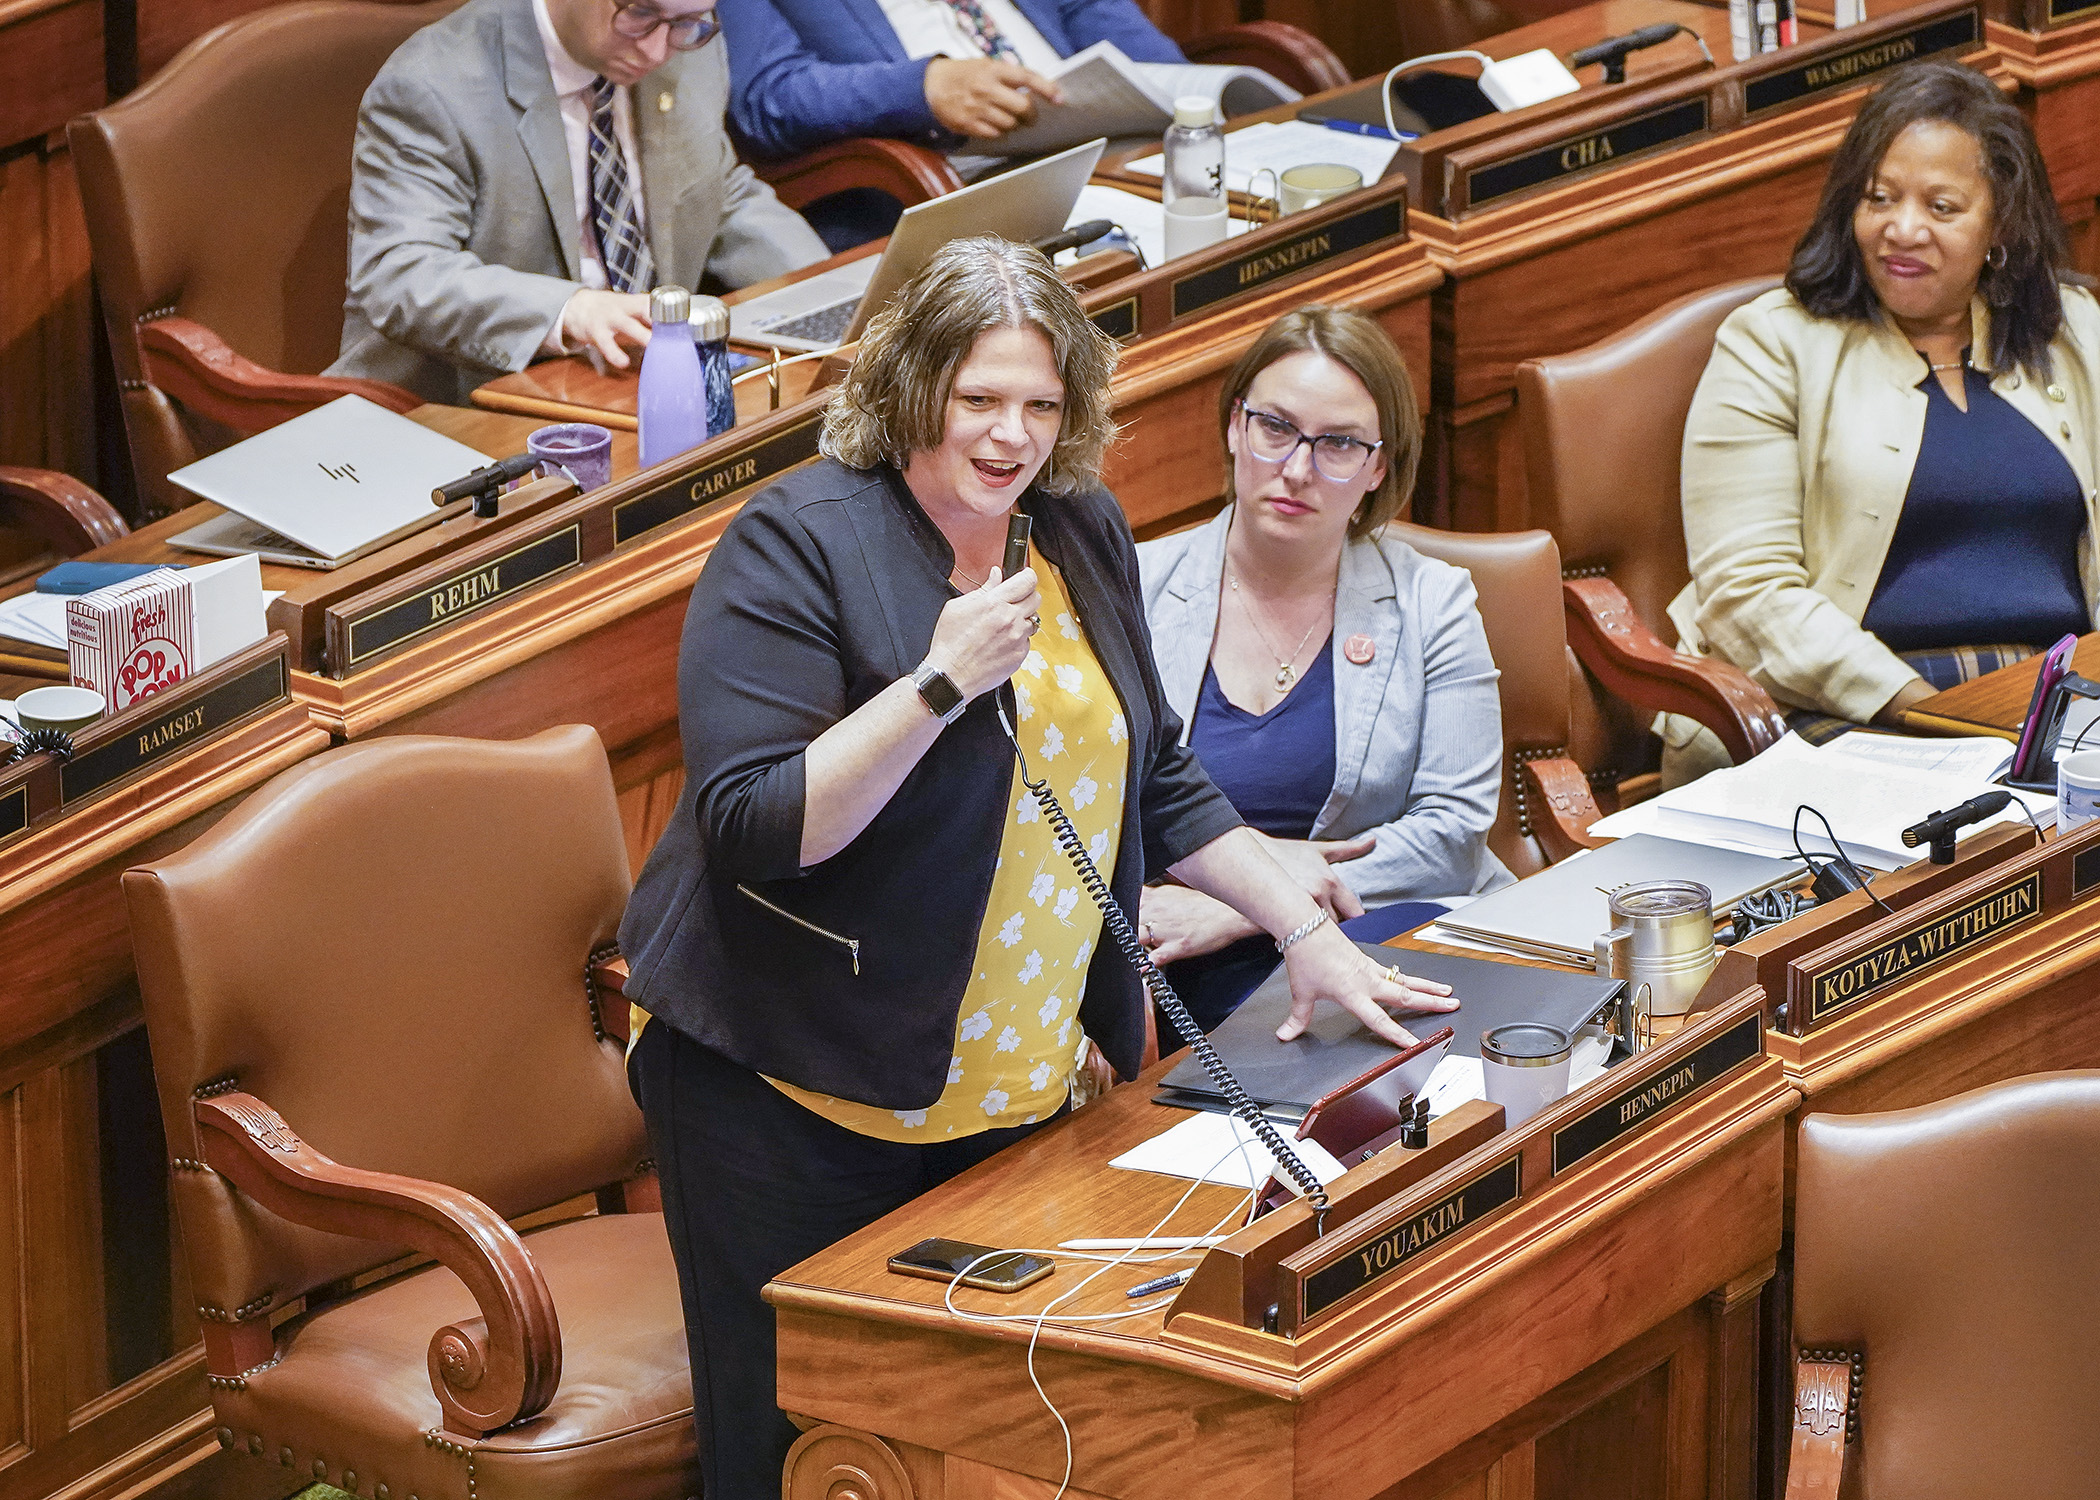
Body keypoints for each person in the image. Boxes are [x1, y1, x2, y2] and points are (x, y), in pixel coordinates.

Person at [617, 237, 1458, 1497]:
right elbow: (755, 826)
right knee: (795, 1454)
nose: (1011, 437)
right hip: (791, 1088)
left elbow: (1155, 774)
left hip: (1005, 1085)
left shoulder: (1074, 526)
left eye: (1041, 405)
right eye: (980, 401)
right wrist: (938, 684)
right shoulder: (799, 539)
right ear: (912, 390)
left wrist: (1305, 929)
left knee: (983, 1445)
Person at [1666, 59, 2100, 784]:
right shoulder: (1772, 343)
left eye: (1941, 207)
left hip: (2053, 702)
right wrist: (1937, 716)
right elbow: (1749, 592)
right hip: (1840, 710)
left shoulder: (2072, 330)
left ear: (2000, 224)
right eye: (1880, 198)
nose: (1902, 229)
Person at [1137, 306, 1510, 1030]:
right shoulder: (1133, 590)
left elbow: (1453, 832)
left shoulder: (1433, 601)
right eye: (1275, 428)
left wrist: (1242, 906)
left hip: (1386, 929)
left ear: (1379, 466)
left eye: (1338, 443)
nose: (1297, 468)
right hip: (1186, 961)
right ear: (1233, 427)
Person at [329, 0, 828, 406]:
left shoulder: (690, 49)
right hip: (462, 409)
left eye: (686, 22)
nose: (657, 50)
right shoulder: (433, 84)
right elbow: (399, 272)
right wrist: (570, 311)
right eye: (639, 15)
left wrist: (833, 296)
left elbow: (723, 194)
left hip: (634, 387)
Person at [717, 0, 1183, 245]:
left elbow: (1084, 8)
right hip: (950, 185)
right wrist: (921, 90)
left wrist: (1184, 93)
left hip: (1116, 150)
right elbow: (767, 97)